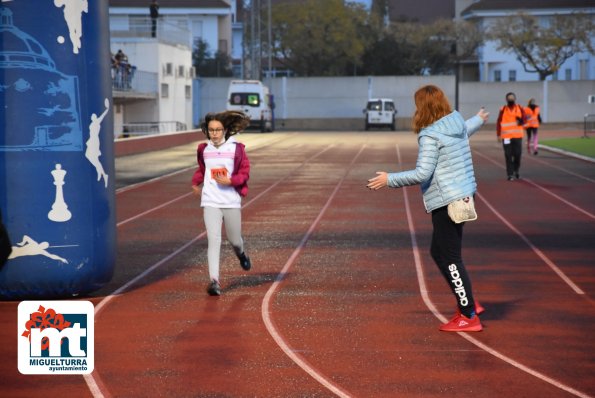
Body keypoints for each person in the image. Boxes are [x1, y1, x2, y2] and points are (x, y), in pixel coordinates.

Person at [367, 85, 488, 332]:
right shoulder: (454, 122)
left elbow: (422, 172)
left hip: (448, 200)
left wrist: (389, 179)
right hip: (464, 194)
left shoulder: (430, 135)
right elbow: (467, 128)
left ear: (423, 107)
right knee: (439, 252)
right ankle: (467, 299)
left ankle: (468, 315)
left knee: (451, 257)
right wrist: (479, 119)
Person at [191, 111, 252, 296]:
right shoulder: (204, 149)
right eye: (211, 130)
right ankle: (214, 281)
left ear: (225, 130)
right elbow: (204, 169)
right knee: (214, 239)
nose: (215, 134)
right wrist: (195, 182)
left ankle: (241, 254)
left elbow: (245, 172)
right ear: (207, 131)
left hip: (231, 201)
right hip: (210, 200)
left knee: (234, 240)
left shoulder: (236, 148)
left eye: (218, 130)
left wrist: (231, 181)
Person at [496, 92, 525, 180]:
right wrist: (498, 135)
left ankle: (516, 170)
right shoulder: (503, 109)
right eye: (509, 98)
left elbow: (525, 119)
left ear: (515, 99)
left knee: (517, 154)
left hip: (517, 136)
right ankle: (510, 174)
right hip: (506, 137)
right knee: (508, 155)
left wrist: (521, 120)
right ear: (506, 99)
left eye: (512, 98)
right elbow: (498, 122)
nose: (511, 99)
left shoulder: (520, 108)